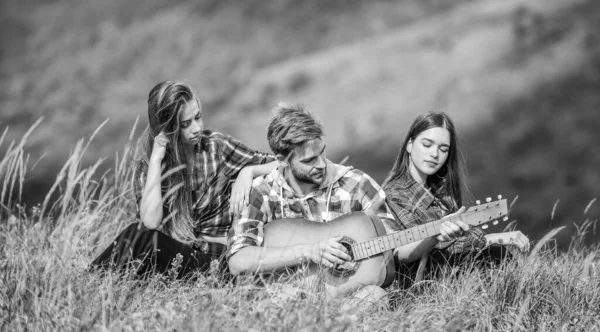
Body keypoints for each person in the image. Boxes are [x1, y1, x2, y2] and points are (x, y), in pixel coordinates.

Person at [226, 103, 469, 303]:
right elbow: (238, 261)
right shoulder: (260, 193)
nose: (321, 164)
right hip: (283, 299)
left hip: (344, 302)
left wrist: (435, 233)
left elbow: (396, 249)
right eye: (310, 160)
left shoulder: (357, 183)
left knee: (375, 297)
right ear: (282, 161)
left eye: (323, 152)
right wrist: (307, 252)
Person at [90, 80, 276, 279]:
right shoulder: (148, 169)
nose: (196, 128)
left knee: (139, 240)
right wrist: (156, 160)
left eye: (198, 117)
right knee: (138, 236)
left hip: (220, 262)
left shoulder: (215, 147)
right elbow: (151, 222)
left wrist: (248, 172)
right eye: (185, 124)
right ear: (166, 129)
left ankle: (86, 284)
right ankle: (91, 287)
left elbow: (283, 163)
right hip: (181, 258)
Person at [381, 111, 529, 285]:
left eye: (443, 149)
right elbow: (415, 253)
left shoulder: (441, 193)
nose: (435, 154)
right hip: (425, 281)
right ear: (409, 145)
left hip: (451, 269)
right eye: (427, 144)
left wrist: (498, 238)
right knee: (495, 257)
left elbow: (459, 242)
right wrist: (436, 235)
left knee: (499, 257)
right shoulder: (393, 194)